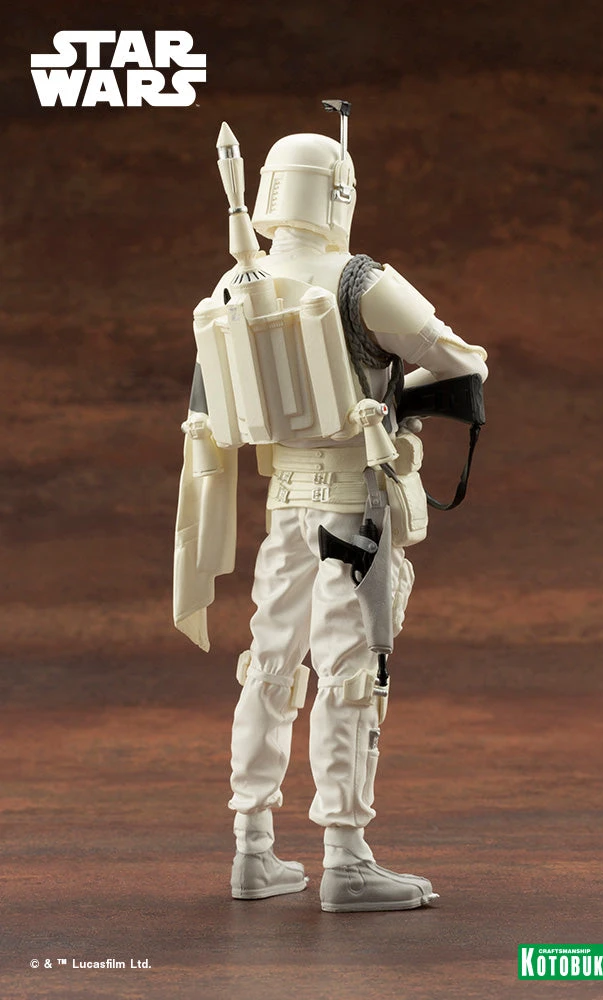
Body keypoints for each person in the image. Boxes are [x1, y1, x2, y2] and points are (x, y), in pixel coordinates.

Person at [174, 110, 488, 912]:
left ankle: (252, 851)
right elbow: (458, 361)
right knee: (350, 675)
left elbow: (210, 411)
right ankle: (345, 860)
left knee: (268, 666)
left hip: (284, 504)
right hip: (353, 505)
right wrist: (394, 401)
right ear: (338, 193)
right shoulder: (360, 281)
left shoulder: (229, 286)